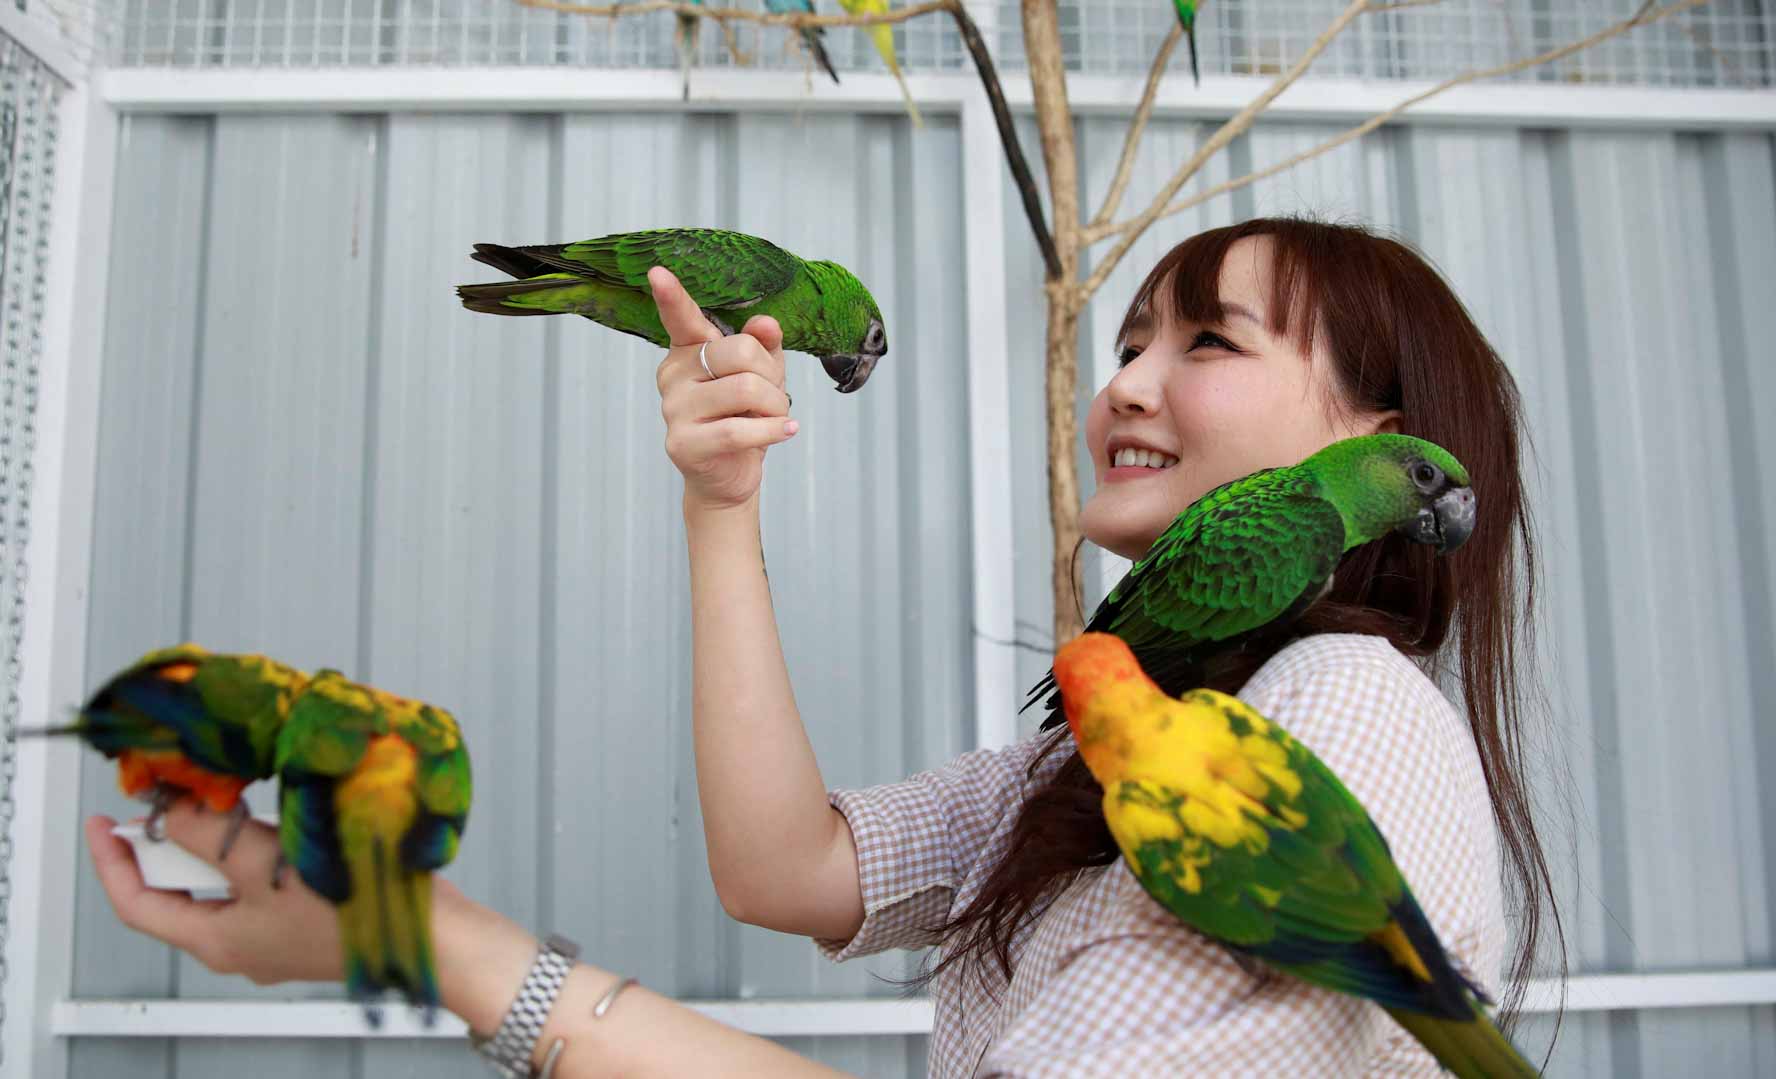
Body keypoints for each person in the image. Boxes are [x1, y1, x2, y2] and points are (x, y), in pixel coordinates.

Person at [87, 217, 1559, 1076]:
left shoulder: (1345, 712)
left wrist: (449, 951)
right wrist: (721, 508)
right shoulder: (1119, 741)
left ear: (1381, 437)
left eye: (1208, 343)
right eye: (1125, 346)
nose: (1123, 387)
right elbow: (787, 869)